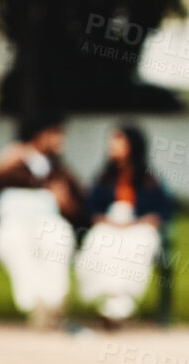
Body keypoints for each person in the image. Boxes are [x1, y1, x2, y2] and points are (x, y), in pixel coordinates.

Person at [0, 111, 84, 329]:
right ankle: (34, 304)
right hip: (13, 226)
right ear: (40, 135)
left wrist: (66, 204)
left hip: (48, 225)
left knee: (55, 238)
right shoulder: (11, 164)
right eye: (56, 133)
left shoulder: (59, 170)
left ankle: (54, 301)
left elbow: (80, 211)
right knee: (17, 243)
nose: (61, 140)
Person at [73, 121, 173, 325]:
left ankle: (117, 305)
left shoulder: (149, 180)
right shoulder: (104, 178)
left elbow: (164, 210)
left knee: (135, 247)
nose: (113, 145)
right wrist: (105, 220)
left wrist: (144, 220)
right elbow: (91, 208)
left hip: (138, 228)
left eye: (118, 140)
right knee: (102, 243)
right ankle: (116, 303)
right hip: (110, 227)